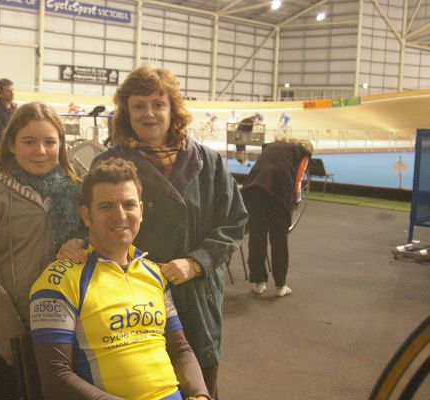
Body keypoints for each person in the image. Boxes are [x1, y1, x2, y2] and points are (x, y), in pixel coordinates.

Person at [58, 64, 248, 398]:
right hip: (132, 302)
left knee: (201, 385)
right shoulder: (108, 163)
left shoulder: (208, 162)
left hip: (196, 294)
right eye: (139, 105)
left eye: (158, 104)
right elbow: (87, 218)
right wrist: (74, 242)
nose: (149, 113)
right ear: (127, 112)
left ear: (173, 109)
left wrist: (197, 261)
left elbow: (234, 221)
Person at [30, 157, 210, 400]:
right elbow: (55, 377)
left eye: (129, 205)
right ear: (86, 215)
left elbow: (180, 350)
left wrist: (200, 394)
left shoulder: (154, 273)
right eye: (106, 207)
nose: (120, 216)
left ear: (141, 211)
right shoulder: (59, 280)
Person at [0, 102, 82, 400]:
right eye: (29, 141)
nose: (40, 151)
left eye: (49, 142)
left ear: (61, 145)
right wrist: (14, 340)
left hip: (58, 328)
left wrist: (81, 241)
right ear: (11, 144)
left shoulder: (73, 190)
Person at [241, 136, 313, 297]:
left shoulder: (270, 147)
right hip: (279, 193)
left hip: (254, 190)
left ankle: (258, 283)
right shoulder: (302, 153)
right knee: (279, 240)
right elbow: (298, 180)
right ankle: (281, 285)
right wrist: (296, 201)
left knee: (256, 238)